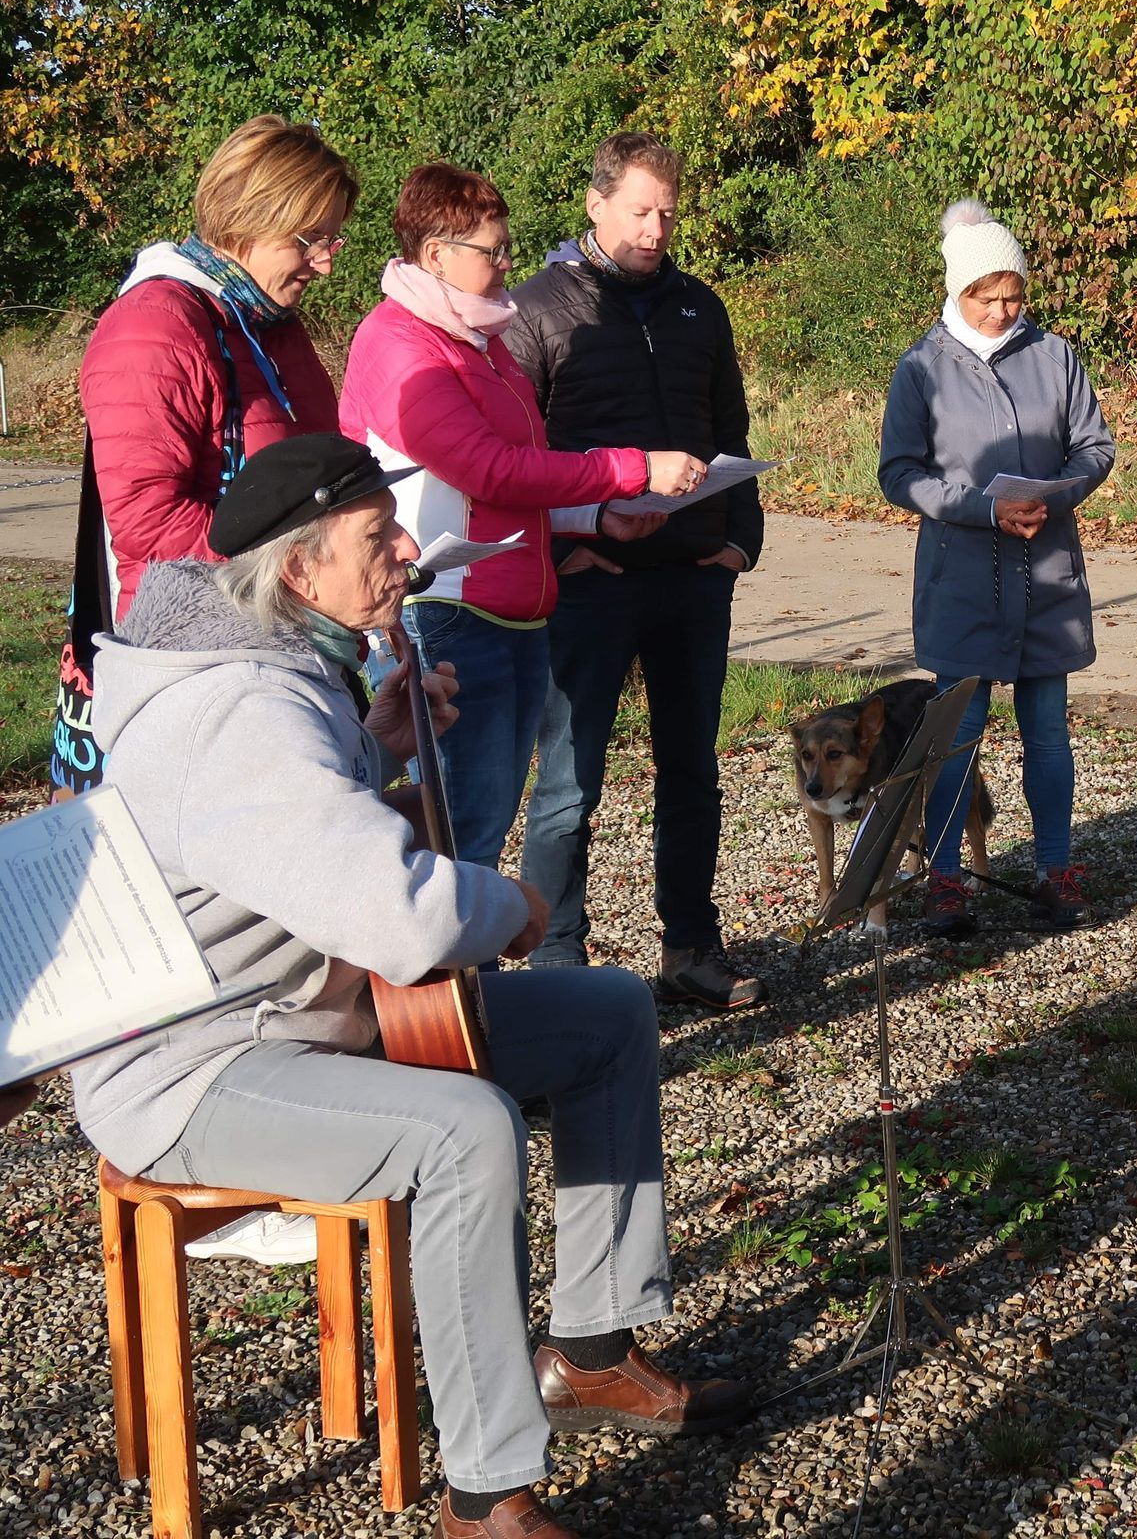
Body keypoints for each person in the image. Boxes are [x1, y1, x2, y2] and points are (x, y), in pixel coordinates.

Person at [74, 433, 744, 1539]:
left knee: (609, 1012)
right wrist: (513, 905)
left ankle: (589, 1350)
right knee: (462, 1129)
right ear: (300, 571)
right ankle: (484, 1496)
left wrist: (375, 748)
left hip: (303, 1012)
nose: (404, 550)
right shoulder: (239, 708)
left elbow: (291, 841)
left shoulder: (266, 655)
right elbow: (396, 913)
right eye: (377, 538)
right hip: (195, 1065)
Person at [339, 162, 702, 870]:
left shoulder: (481, 337)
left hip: (514, 614)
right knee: (460, 832)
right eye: (492, 252)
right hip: (444, 613)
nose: (508, 264)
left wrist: (593, 518)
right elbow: (486, 469)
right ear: (436, 254)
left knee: (485, 824)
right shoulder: (401, 345)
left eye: (507, 247)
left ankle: (472, 978)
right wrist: (634, 467)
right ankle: (448, 980)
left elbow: (499, 496)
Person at [510, 132, 765, 1010]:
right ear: (596, 204)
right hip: (591, 579)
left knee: (692, 768)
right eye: (640, 211)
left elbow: (730, 428)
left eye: (667, 213)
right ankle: (558, 970)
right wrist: (559, 548)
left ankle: (691, 947)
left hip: (694, 577)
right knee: (569, 784)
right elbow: (511, 457)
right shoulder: (535, 310)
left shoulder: (700, 306)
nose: (657, 230)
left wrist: (738, 544)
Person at [56, 114, 358, 800]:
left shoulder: (272, 327)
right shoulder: (155, 327)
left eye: (331, 236)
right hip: (195, 661)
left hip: (282, 638)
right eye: (308, 238)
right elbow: (149, 523)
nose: (327, 260)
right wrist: (310, 570)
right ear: (245, 220)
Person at [878, 199, 1115, 936]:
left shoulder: (1055, 356)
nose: (1004, 310)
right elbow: (898, 473)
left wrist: (1060, 492)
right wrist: (982, 508)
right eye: (989, 297)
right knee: (957, 735)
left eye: (1015, 296)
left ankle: (1055, 867)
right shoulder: (920, 368)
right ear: (958, 290)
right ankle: (946, 878)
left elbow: (1094, 447)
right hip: (963, 578)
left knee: (1048, 732)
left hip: (1047, 575)